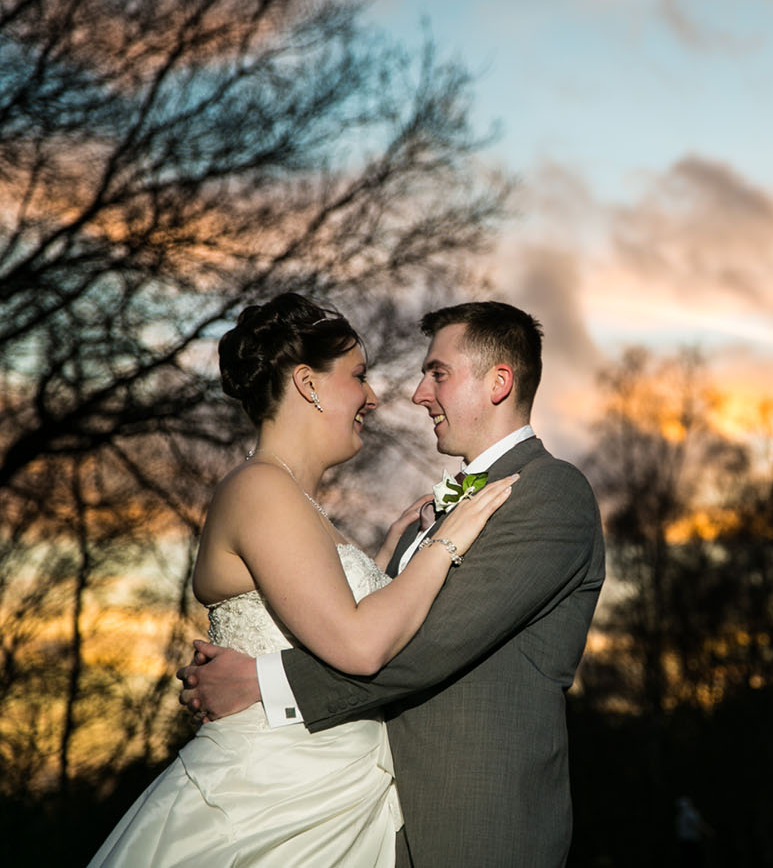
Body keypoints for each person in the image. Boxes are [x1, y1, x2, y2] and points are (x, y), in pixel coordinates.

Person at [90, 294, 516, 866]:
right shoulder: (260, 488)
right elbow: (360, 646)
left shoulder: (295, 502)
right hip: (273, 801)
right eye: (358, 376)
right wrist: (446, 542)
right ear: (308, 384)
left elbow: (335, 619)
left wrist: (385, 560)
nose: (373, 396)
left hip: (335, 797)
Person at [179, 300, 607, 867]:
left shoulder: (548, 492)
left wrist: (265, 680)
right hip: (359, 811)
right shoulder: (428, 516)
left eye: (438, 373)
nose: (417, 394)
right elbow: (375, 622)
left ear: (499, 382)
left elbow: (430, 645)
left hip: (474, 826)